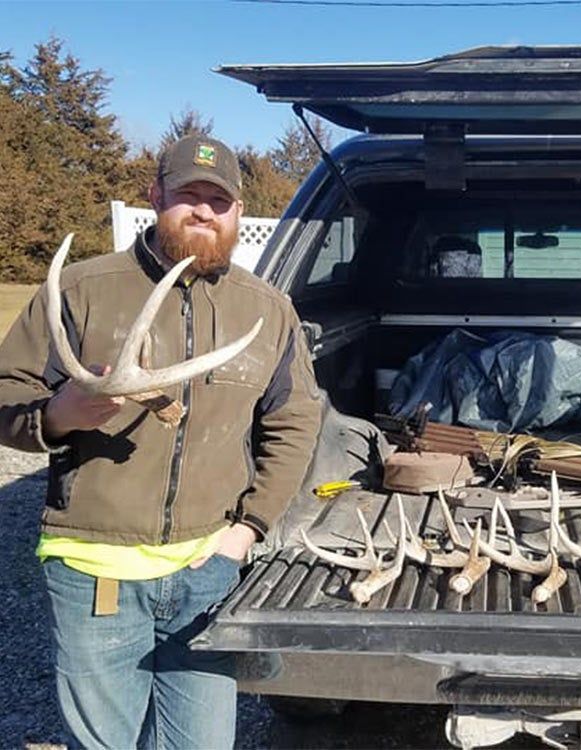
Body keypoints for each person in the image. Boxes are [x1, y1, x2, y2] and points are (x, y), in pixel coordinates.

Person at [0, 135, 322, 749]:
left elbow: (294, 421)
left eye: (218, 200)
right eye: (187, 196)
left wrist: (248, 528)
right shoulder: (78, 289)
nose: (203, 211)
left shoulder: (268, 310)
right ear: (156, 197)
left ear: (236, 210)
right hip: (96, 571)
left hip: (209, 569)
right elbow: (5, 394)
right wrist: (59, 414)